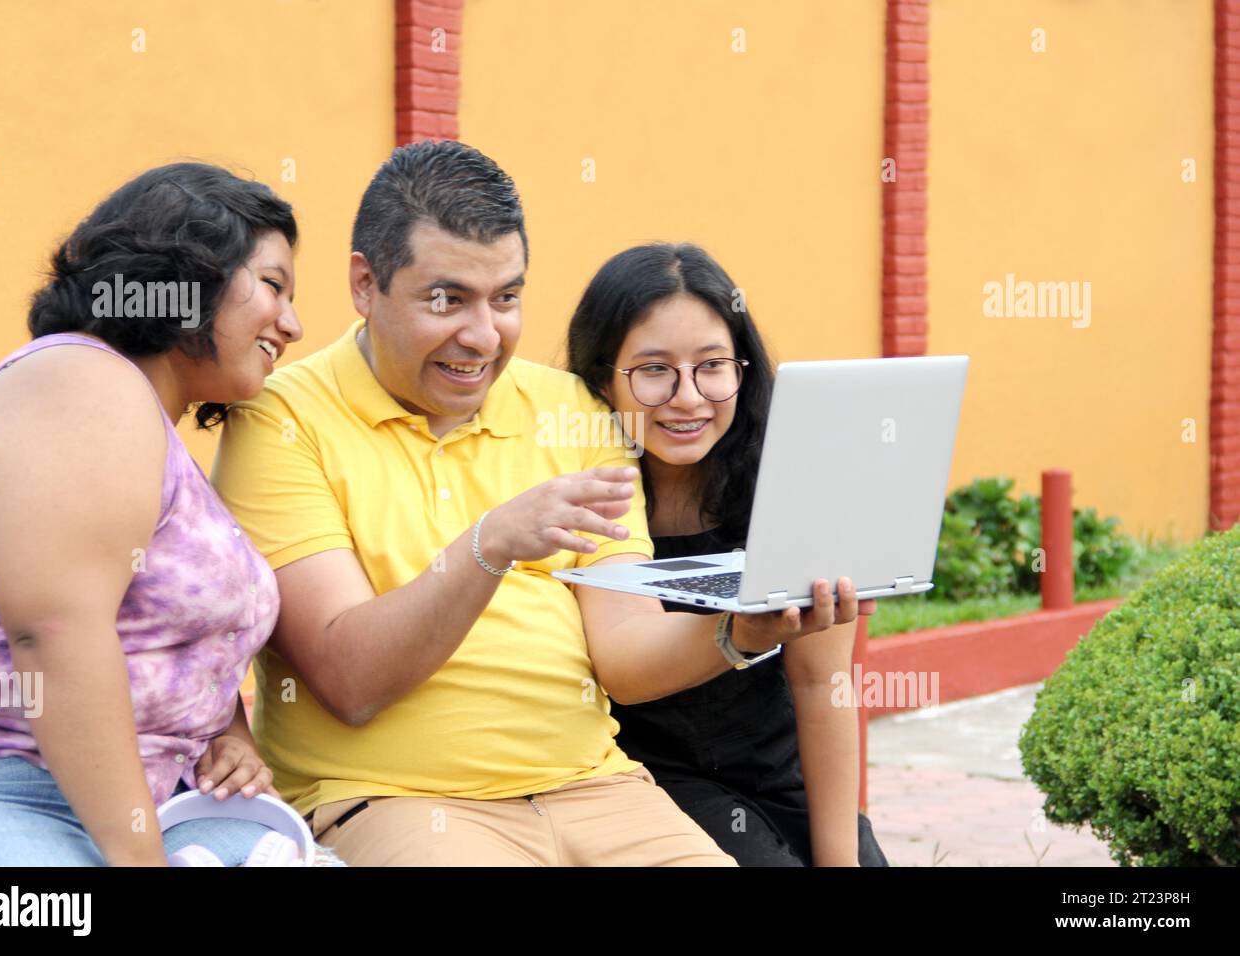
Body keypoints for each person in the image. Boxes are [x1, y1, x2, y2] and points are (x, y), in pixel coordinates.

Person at [210, 139, 871, 866]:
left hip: (599, 790)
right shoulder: (282, 419)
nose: (483, 335)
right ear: (365, 285)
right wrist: (489, 545)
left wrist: (740, 632)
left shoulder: (574, 412)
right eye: (447, 299)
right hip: (398, 799)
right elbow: (350, 680)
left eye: (506, 298)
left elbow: (622, 654)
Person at [0, 162, 305, 866]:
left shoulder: (153, 438)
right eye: (272, 285)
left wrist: (226, 735)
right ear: (186, 279)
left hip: (154, 803)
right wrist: (139, 859)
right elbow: (55, 631)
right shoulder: (80, 380)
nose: (292, 323)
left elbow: (158, 627)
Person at [565, 242, 888, 866]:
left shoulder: (793, 482)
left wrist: (842, 859)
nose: (688, 397)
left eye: (712, 365)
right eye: (654, 369)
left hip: (778, 777)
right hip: (650, 785)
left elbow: (823, 682)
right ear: (602, 377)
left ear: (743, 369)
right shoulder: (583, 498)